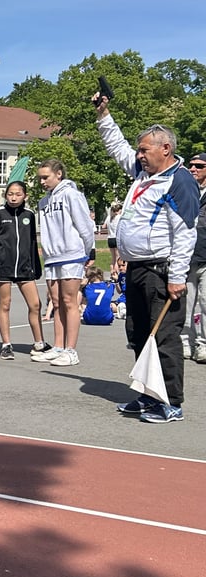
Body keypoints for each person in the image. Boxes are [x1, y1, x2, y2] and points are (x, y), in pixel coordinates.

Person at [97, 94, 199, 423]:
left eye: (144, 150)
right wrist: (104, 115)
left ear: (165, 149)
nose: (139, 155)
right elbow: (118, 148)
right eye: (139, 150)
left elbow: (185, 233)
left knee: (164, 336)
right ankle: (147, 394)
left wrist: (177, 277)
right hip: (138, 268)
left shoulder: (179, 181)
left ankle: (170, 401)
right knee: (140, 333)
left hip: (161, 270)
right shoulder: (143, 174)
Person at [33, 159, 96, 367]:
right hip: (52, 257)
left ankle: (71, 350)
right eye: (40, 178)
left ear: (58, 174)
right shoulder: (44, 202)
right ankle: (58, 347)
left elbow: (85, 225)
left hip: (71, 254)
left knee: (70, 302)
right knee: (56, 302)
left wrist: (88, 250)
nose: (42, 182)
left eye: (46, 177)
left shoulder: (71, 195)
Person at [0, 180, 47, 360]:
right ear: (5, 195)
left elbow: (32, 243)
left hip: (25, 268)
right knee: (5, 304)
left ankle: (39, 342)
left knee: (35, 304)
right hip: (4, 268)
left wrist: (36, 266)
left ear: (25, 196)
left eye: (18, 194)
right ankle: (6, 345)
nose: (14, 198)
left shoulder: (30, 215)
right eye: (10, 194)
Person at [182, 153, 206, 363]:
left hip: (205, 256)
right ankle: (184, 342)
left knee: (205, 302)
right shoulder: (185, 190)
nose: (193, 168)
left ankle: (202, 344)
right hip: (187, 256)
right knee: (185, 302)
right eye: (191, 165)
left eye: (199, 165)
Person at [105, 201, 123, 273]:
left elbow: (104, 226)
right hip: (116, 238)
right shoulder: (119, 217)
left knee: (113, 258)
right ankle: (117, 273)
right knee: (118, 257)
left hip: (110, 238)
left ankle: (112, 271)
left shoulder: (109, 217)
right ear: (118, 210)